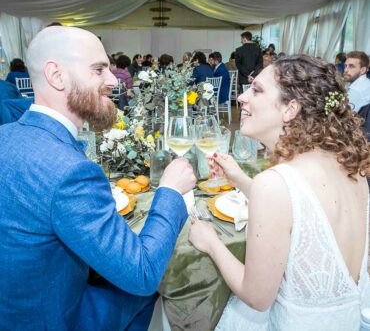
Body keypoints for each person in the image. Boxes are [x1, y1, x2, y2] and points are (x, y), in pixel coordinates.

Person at [0, 26, 196, 330]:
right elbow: (142, 272)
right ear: (57, 75)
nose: (113, 79)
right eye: (98, 69)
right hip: (51, 318)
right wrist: (170, 191)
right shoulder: (69, 170)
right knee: (153, 286)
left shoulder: (5, 134)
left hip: (16, 305)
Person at [189, 55, 370, 330]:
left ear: (291, 109)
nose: (241, 97)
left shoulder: (274, 183)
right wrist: (239, 179)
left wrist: (211, 242)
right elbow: (305, 214)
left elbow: (257, 297)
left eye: (257, 90)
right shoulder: (351, 168)